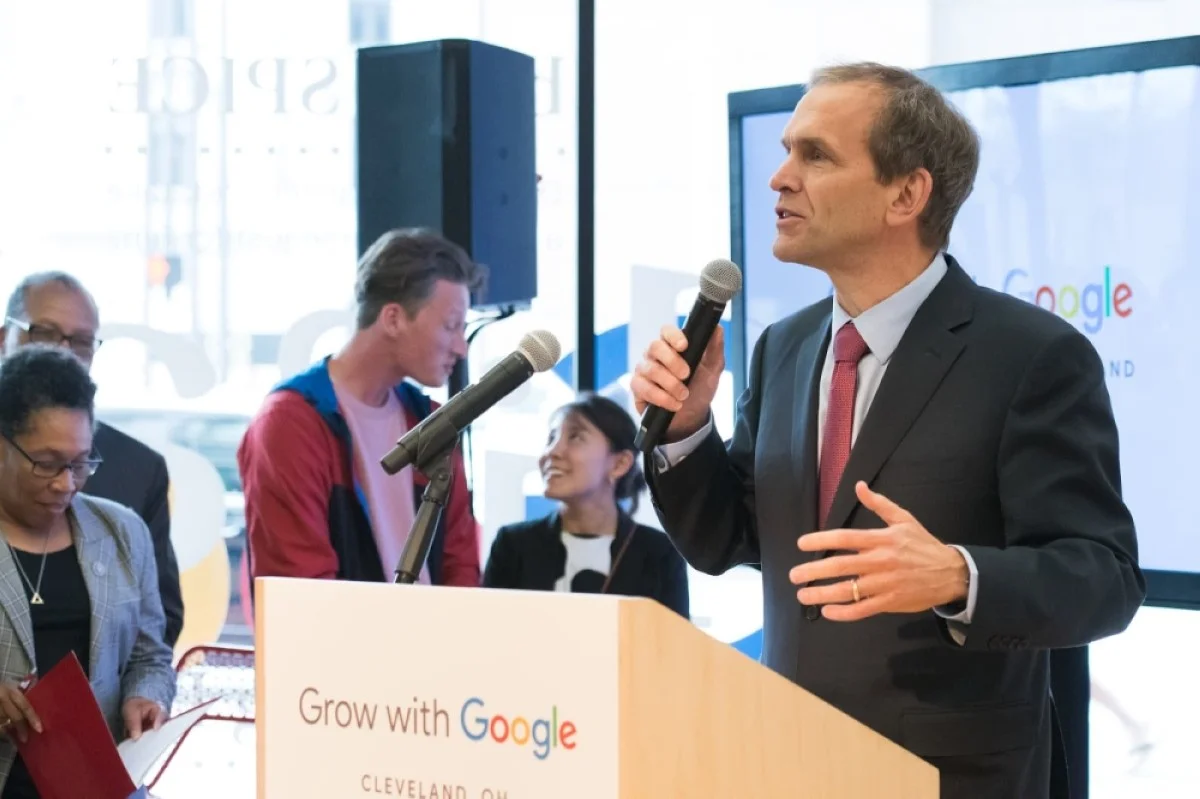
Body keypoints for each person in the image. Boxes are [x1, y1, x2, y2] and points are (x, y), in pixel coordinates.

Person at [630, 62, 1144, 799]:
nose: (779, 177)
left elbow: (1105, 578)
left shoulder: (1032, 355)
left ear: (907, 193)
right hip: (789, 761)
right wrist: (684, 427)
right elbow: (730, 536)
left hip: (951, 776)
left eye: (815, 155)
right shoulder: (785, 346)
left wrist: (959, 576)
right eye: (784, 150)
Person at [238, 228, 484, 590]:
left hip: (433, 642)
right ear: (393, 319)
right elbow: (300, 589)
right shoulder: (292, 424)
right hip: (342, 645)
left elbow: (460, 566)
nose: (461, 347)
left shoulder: (430, 420)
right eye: (451, 326)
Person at [0, 346, 176, 797]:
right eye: (46, 463)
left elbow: (148, 655)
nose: (66, 483)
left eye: (80, 463)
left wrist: (147, 696)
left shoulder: (122, 531)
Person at [1, 273, 183, 649]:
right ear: (4, 339)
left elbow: (156, 630)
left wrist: (133, 694)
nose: (63, 353)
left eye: (81, 342)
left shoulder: (138, 470)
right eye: (45, 334)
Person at [484, 393, 689, 618]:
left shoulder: (659, 554)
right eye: (551, 437)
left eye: (575, 437)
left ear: (620, 463)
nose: (553, 452)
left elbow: (674, 647)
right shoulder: (513, 546)